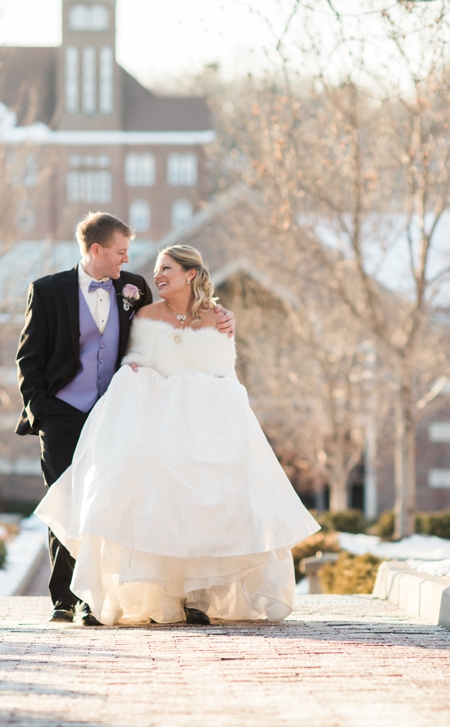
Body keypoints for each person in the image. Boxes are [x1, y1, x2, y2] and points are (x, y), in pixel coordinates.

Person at [34, 244, 320, 625]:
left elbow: (224, 373)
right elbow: (134, 361)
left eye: (166, 268)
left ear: (191, 273)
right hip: (158, 420)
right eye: (156, 269)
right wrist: (136, 374)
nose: (157, 276)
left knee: (210, 505)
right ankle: (122, 596)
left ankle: (198, 596)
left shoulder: (219, 320)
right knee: (155, 502)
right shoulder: (145, 313)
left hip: (205, 424)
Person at [15, 213, 234, 625]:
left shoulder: (133, 288)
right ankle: (65, 599)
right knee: (67, 497)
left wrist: (220, 318)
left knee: (108, 499)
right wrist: (42, 411)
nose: (126, 258)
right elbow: (29, 359)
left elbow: (166, 329)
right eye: (120, 251)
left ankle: (98, 596)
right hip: (62, 412)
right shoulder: (47, 291)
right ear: (96, 250)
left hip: (117, 411)